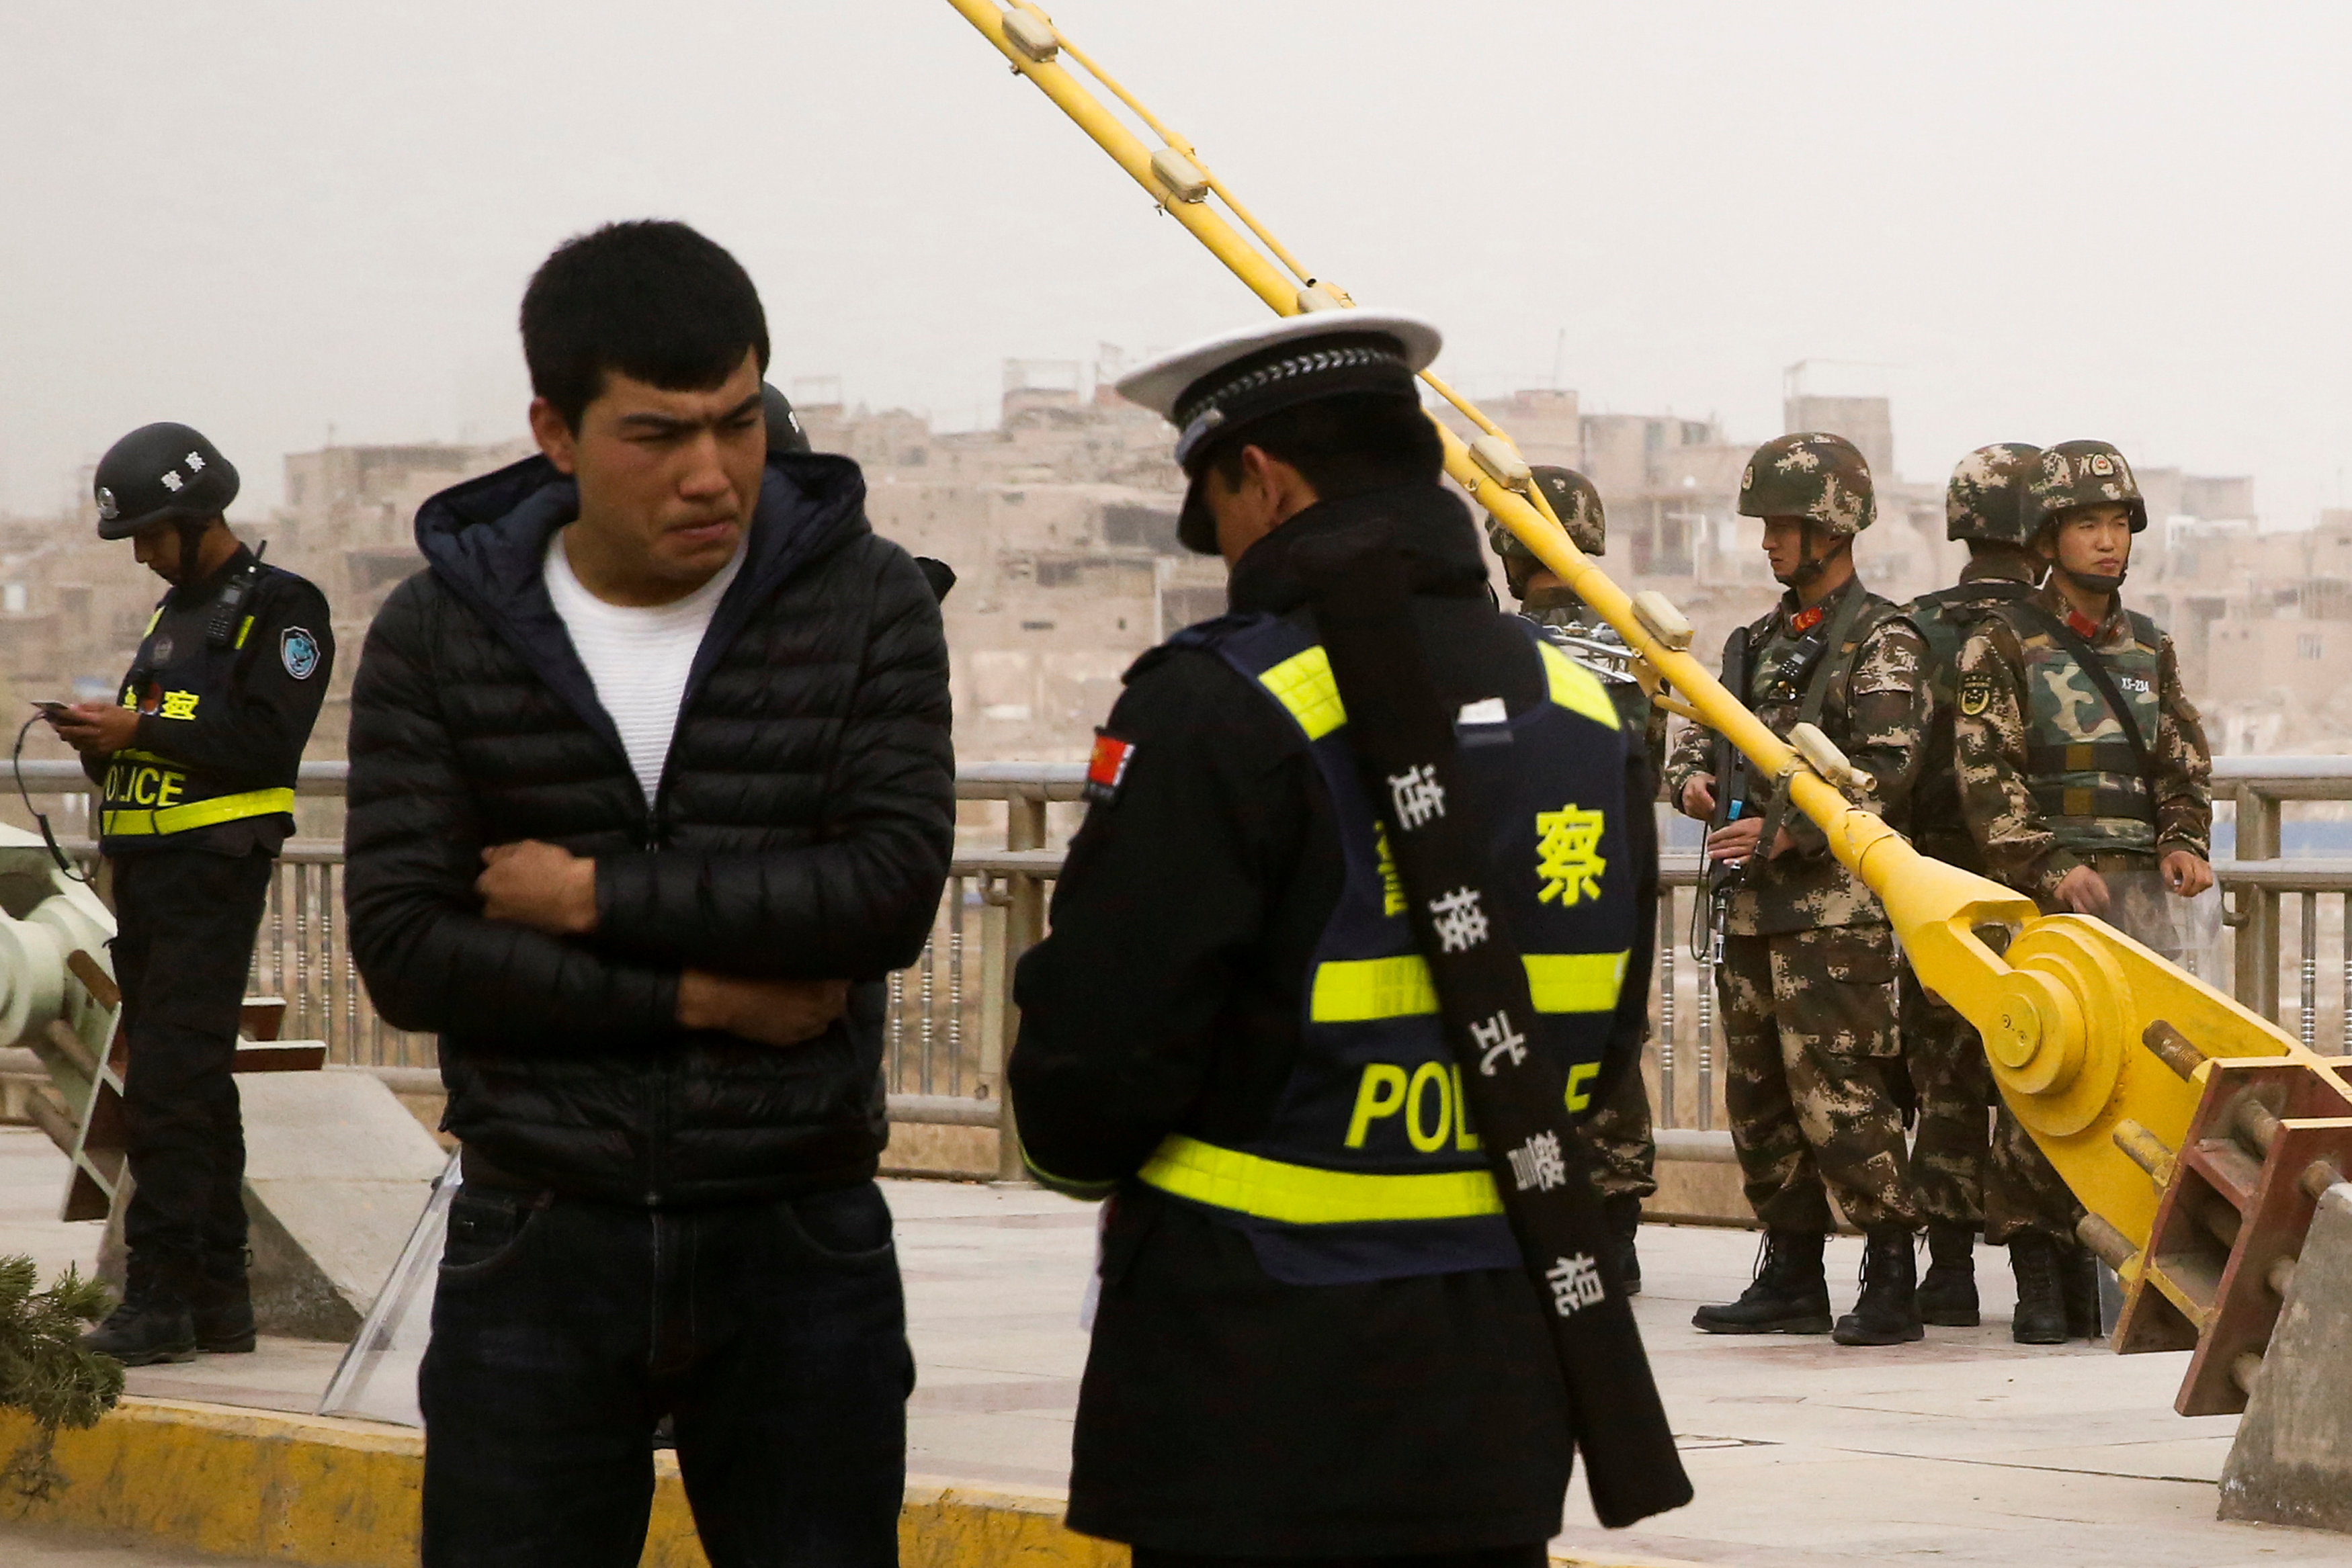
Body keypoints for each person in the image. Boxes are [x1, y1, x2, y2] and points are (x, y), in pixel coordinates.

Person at [343, 220, 954, 1567]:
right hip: (540, 1232)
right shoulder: (443, 634)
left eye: (737, 424)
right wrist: (705, 990)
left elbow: (885, 897)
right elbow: (408, 949)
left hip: (795, 1234)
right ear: (554, 431)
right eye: (657, 433)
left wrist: (589, 899)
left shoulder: (866, 605)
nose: (711, 474)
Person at [1009, 312, 1663, 1563]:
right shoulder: (1587, 714)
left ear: (1260, 477)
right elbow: (1608, 1026)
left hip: (1252, 1377)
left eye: (1217, 511)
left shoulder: (1223, 703)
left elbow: (1092, 1071)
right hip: (1499, 1383)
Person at [47, 423, 332, 1367]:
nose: (140, 555)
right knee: (196, 1089)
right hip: (151, 879)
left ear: (196, 515)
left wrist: (141, 729)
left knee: (169, 1087)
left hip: (215, 873)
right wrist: (105, 744)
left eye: (149, 534)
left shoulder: (283, 608)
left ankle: (159, 1297)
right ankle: (220, 1296)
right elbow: (160, 740)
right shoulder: (170, 621)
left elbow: (262, 741)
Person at [1663, 433, 1929, 1347]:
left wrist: (1787, 833)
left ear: (1834, 527)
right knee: (1761, 1096)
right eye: (1768, 526)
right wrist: (1693, 784)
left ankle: (1892, 1268)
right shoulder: (1751, 645)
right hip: (1748, 911)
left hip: (1834, 920)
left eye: (1786, 525)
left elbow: (1886, 771)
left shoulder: (1883, 640)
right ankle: (1790, 1267)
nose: (1770, 543)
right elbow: (1700, 737)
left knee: (1845, 1091)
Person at [1952, 438, 2213, 1344]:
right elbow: (1987, 775)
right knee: (2045, 1074)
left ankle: (2109, 1256)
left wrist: (2183, 842)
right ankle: (2037, 1267)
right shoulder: (2005, 640)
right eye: (2087, 525)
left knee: (2134, 1077)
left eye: (2117, 524)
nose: (2108, 541)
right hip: (2049, 901)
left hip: (2140, 903)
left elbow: (2183, 760)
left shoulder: (2150, 646)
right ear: (2048, 536)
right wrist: (2046, 866)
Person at [1487, 467, 1661, 1293]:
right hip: (1608, 861)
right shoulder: (1634, 639)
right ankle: (1615, 1227)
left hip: (1517, 863)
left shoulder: (1503, 646)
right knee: (1608, 1043)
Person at [1896, 443, 2044, 1328]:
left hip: (1936, 891)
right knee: (2038, 1076)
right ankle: (2043, 1289)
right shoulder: (2053, 626)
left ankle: (1947, 1272)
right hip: (2033, 888)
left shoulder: (1911, 626)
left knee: (1944, 1079)